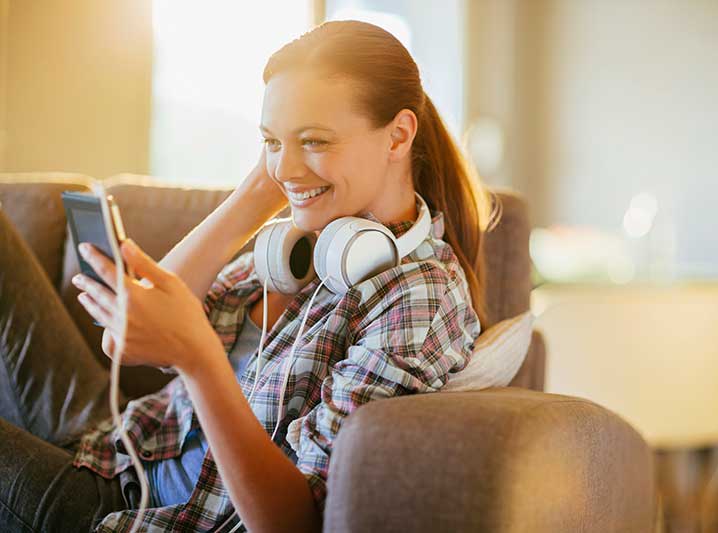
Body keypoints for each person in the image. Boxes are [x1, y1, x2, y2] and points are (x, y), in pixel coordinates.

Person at [0, 19, 492, 532]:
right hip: (119, 444)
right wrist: (257, 193)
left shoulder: (418, 296)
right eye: (271, 141)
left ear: (398, 135)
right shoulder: (301, 239)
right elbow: (124, 337)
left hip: (125, 511)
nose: (286, 167)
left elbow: (292, 522)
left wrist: (201, 361)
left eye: (315, 140)